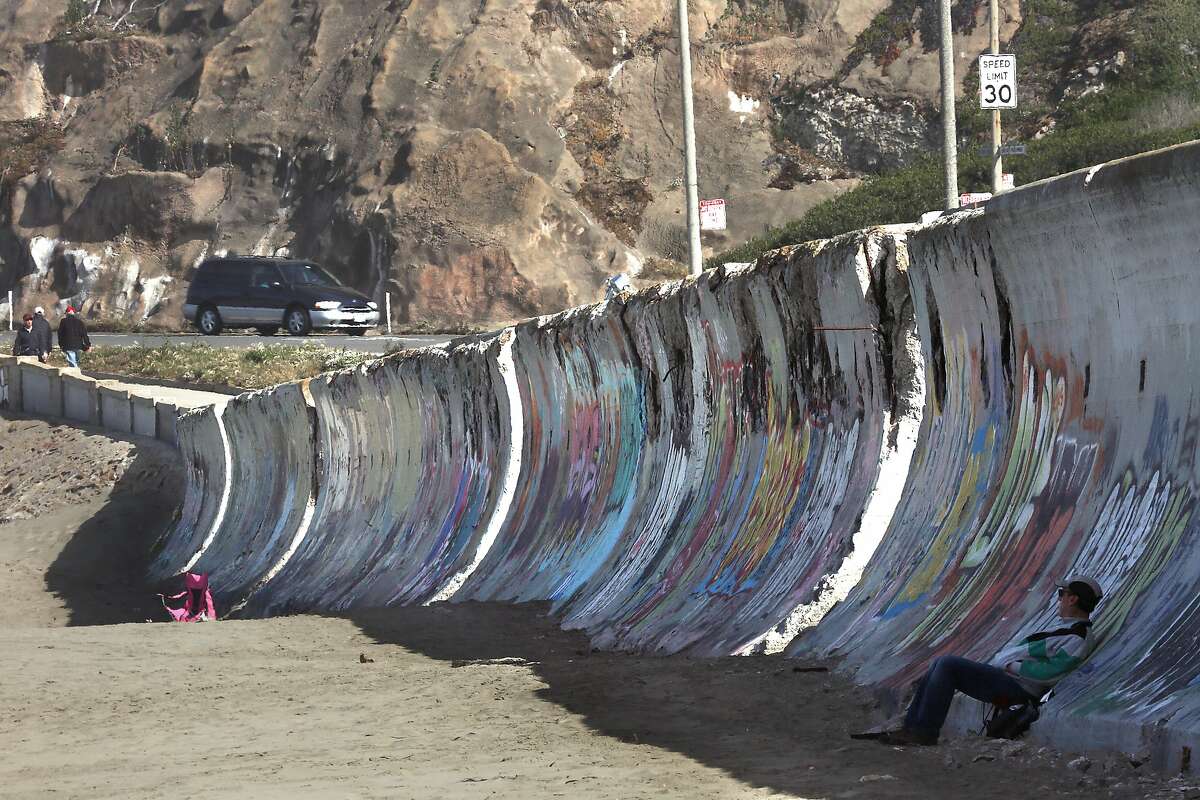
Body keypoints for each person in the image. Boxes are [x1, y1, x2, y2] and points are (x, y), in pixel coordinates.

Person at [862, 575, 1103, 746]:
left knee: (947, 665)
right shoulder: (1067, 629)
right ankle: (912, 726)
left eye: (1062, 594)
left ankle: (924, 731)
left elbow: (1051, 672)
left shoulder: (1077, 636)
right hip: (1009, 681)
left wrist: (1012, 666)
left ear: (1073, 600)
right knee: (939, 664)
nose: (1059, 598)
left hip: (1018, 688)